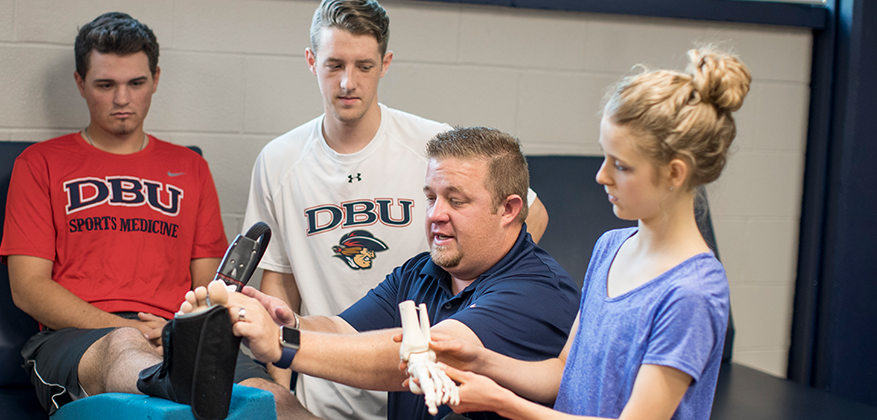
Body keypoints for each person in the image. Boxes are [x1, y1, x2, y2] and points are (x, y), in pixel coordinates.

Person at [242, 1, 548, 417]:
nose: (348, 82)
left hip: (419, 384)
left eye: (364, 66)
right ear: (312, 61)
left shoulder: (435, 146)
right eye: (334, 65)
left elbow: (532, 213)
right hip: (326, 377)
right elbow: (280, 279)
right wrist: (283, 376)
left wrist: (476, 300)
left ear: (385, 64)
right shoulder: (279, 160)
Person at [0, 12, 312, 418]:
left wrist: (182, 330)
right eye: (105, 85)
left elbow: (207, 284)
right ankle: (173, 379)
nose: (122, 99)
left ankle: (184, 372)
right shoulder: (40, 164)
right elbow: (28, 288)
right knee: (123, 346)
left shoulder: (190, 168)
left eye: (136, 83)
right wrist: (127, 327)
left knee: (272, 400)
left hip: (180, 332)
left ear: (156, 79)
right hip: (80, 339)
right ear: (80, 83)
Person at [431, 47, 749, 420]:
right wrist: (480, 359)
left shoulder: (692, 293)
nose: (602, 175)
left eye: (622, 166)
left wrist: (504, 402)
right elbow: (564, 372)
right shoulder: (610, 247)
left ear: (675, 174)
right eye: (604, 156)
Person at [227, 126, 580, 420]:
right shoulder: (422, 271)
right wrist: (287, 323)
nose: (435, 215)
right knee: (274, 402)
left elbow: (417, 360)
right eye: (431, 198)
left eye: (456, 201)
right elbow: (342, 329)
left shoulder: (536, 290)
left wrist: (280, 344)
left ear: (508, 209)